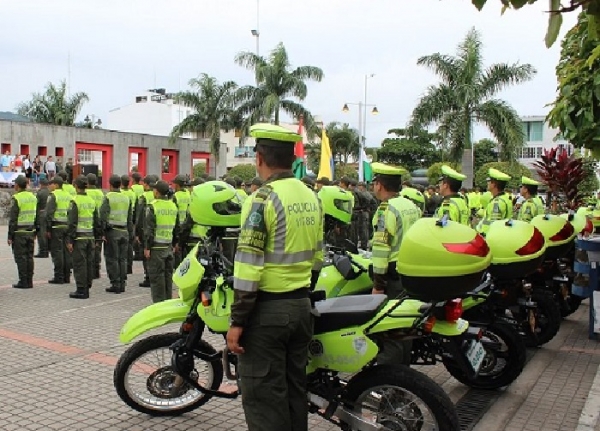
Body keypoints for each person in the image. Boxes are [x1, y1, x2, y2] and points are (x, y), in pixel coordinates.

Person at [226, 123, 323, 431]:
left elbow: (247, 267)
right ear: (292, 159)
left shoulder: (262, 200)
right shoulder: (311, 197)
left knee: (265, 400)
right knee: (295, 393)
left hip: (268, 314)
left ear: (259, 158)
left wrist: (238, 321)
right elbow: (318, 258)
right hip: (300, 307)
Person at [370, 162, 421, 365]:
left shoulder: (386, 210)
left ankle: (388, 379)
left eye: (374, 183)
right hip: (409, 273)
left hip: (392, 278)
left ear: (380, 185)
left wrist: (377, 285)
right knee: (404, 328)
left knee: (389, 331)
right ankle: (403, 374)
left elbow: (381, 251)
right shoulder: (411, 206)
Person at [143, 180, 179, 303]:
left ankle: (159, 303)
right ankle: (168, 301)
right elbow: (177, 227)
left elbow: (149, 229)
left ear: (157, 192)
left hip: (156, 248)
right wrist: (175, 244)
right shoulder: (173, 205)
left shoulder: (153, 206)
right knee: (168, 276)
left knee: (157, 277)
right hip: (168, 246)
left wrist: (147, 247)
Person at [66, 175, 100, 299]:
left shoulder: (74, 201)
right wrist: (97, 238)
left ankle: (81, 290)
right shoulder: (91, 201)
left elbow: (72, 222)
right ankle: (87, 285)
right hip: (90, 237)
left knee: (80, 264)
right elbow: (97, 221)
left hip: (79, 238)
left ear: (75, 186)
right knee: (89, 263)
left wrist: (70, 240)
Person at [100, 175, 132, 293]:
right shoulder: (126, 197)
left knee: (112, 258)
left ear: (110, 184)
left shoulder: (108, 197)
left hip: (112, 231)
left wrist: (102, 232)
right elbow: (129, 218)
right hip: (124, 231)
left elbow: (103, 215)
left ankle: (116, 284)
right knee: (122, 259)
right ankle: (122, 283)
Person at [8, 176, 37, 289]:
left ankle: (23, 281)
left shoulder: (17, 198)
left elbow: (13, 219)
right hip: (30, 231)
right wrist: (36, 231)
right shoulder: (33, 197)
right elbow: (37, 215)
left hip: (19, 232)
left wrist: (10, 235)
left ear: (18, 186)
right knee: (29, 256)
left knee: (21, 258)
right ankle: (29, 281)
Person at [46, 176, 73, 284]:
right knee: (67, 252)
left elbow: (49, 213)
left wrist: (48, 229)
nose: (49, 186)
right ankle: (67, 276)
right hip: (67, 226)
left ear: (56, 185)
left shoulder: (54, 196)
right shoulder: (69, 196)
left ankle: (59, 276)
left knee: (57, 252)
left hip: (56, 227)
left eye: (51, 184)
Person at [136, 175, 158, 287]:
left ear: (147, 184)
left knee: (147, 254)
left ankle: (148, 277)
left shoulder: (143, 197)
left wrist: (137, 233)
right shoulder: (161, 195)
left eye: (144, 183)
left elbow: (139, 216)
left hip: (146, 228)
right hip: (159, 229)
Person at [477, 168, 512, 235]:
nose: (487, 183)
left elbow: (494, 223)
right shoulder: (504, 199)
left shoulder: (497, 202)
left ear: (494, 184)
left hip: (490, 237)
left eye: (489, 181)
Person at [86, 173, 105, 279]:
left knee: (89, 249)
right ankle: (96, 270)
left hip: (89, 224)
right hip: (99, 224)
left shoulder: (86, 194)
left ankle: (90, 271)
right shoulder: (101, 193)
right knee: (98, 248)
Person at [172, 174, 191, 268]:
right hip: (187, 224)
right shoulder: (188, 194)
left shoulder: (175, 196)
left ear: (177, 185)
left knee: (178, 248)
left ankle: (179, 268)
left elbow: (174, 211)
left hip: (178, 225)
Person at [120, 175, 137, 274]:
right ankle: (129, 267)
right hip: (132, 220)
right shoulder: (133, 193)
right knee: (130, 244)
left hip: (122, 221)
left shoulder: (120, 194)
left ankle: (123, 268)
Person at [34, 178, 50, 258]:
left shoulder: (40, 193)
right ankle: (48, 249)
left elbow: (36, 204)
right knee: (47, 232)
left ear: (41, 184)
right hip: (49, 214)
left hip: (41, 214)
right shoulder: (50, 192)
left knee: (41, 233)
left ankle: (43, 251)